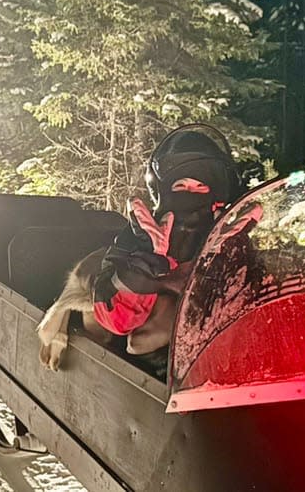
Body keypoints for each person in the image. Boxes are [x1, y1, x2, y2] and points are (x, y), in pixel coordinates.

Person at [90, 124, 243, 353]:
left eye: (199, 186)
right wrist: (145, 264)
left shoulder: (226, 235)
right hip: (156, 357)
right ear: (163, 191)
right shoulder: (141, 232)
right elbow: (114, 319)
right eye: (180, 185)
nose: (189, 193)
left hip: (214, 350)